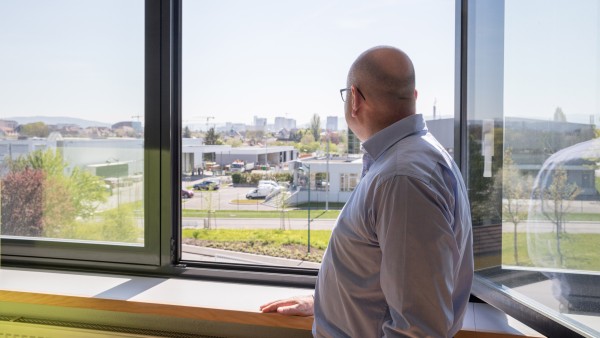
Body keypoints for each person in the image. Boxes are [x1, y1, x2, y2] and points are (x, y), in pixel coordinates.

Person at [260, 46, 473, 337]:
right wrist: (325, 301)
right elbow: (388, 274)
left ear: (355, 100)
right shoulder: (409, 160)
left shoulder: (401, 178)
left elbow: (417, 330)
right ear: (414, 97)